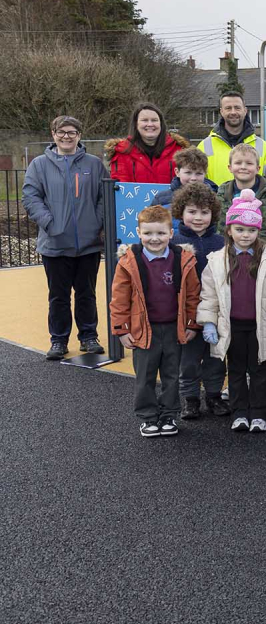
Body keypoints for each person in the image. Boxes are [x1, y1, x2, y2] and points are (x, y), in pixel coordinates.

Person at [197, 189, 266, 434]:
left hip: (260, 325)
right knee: (237, 370)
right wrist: (208, 322)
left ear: (258, 231)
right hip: (232, 326)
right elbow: (208, 295)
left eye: (251, 230)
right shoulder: (217, 261)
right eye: (240, 229)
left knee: (259, 370)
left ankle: (259, 413)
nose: (245, 235)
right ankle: (239, 412)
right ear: (229, 230)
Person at [110, 205, 200, 438]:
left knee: (172, 375)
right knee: (145, 376)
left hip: (173, 328)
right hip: (143, 330)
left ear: (171, 233)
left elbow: (192, 295)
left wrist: (192, 324)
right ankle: (149, 417)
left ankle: (169, 415)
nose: (154, 238)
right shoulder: (128, 262)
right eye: (148, 233)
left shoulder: (183, 259)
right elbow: (119, 299)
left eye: (160, 233)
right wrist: (121, 329)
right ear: (138, 233)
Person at [22, 116, 108, 360]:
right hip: (55, 244)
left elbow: (104, 196)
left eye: (72, 132)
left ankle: (89, 336)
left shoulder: (94, 163)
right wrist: (50, 223)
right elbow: (30, 197)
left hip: (88, 245)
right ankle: (58, 340)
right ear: (53, 134)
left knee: (86, 293)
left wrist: (96, 222)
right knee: (58, 297)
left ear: (79, 135)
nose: (67, 136)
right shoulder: (39, 165)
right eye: (62, 132)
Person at [170, 182, 228, 419]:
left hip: (216, 310)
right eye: (192, 212)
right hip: (188, 312)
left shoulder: (222, 242)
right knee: (189, 360)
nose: (198, 218)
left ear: (213, 214)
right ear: (181, 212)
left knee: (216, 357)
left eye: (204, 212)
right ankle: (190, 399)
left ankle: (214, 396)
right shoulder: (173, 244)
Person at [215, 143, 266, 256]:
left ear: (258, 168)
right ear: (230, 167)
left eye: (249, 163)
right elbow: (216, 227)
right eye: (238, 163)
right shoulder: (221, 195)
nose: (243, 167)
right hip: (231, 258)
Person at [199, 91, 266, 185]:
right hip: (215, 199)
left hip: (253, 199)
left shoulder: (263, 147)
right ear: (221, 112)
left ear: (245, 110)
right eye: (228, 108)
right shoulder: (204, 146)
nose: (233, 112)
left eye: (237, 108)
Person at [108, 102, 190, 184]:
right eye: (144, 120)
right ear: (136, 124)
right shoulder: (122, 152)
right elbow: (121, 188)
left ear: (161, 124)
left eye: (154, 120)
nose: (150, 124)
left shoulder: (179, 150)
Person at [151, 147, 217, 210]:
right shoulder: (162, 199)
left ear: (205, 173)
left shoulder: (215, 197)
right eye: (188, 173)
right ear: (177, 172)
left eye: (198, 173)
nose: (193, 178)